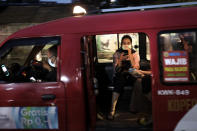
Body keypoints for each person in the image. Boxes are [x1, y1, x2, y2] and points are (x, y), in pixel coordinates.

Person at [108, 35, 140, 119]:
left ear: (131, 44)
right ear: (121, 44)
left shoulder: (135, 53)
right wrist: (120, 60)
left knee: (138, 81)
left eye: (128, 43)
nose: (126, 45)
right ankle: (112, 111)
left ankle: (134, 107)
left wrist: (130, 54)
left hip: (131, 75)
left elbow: (135, 67)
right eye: (124, 43)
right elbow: (116, 70)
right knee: (119, 81)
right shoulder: (117, 53)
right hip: (120, 75)